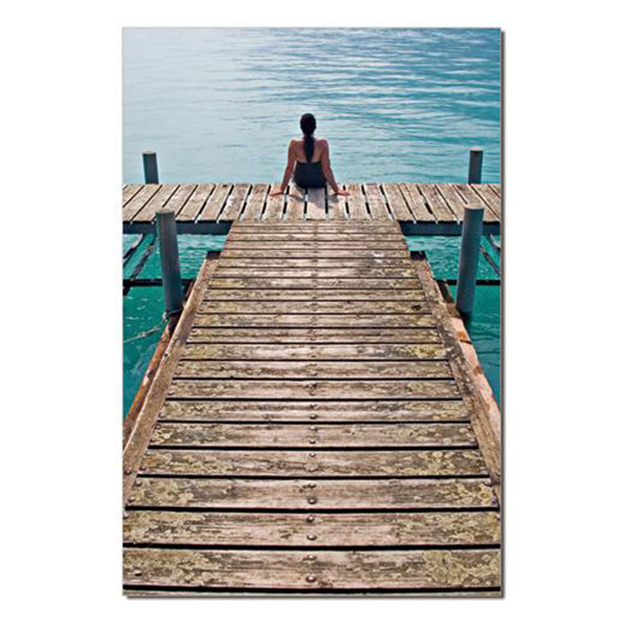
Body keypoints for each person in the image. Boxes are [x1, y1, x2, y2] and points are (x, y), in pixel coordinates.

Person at [269, 113, 349, 197]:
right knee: (327, 163)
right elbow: (326, 169)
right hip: (319, 182)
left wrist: (281, 189)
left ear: (301, 127)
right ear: (315, 127)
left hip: (301, 182)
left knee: (294, 171)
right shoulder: (323, 143)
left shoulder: (294, 144)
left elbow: (289, 168)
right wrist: (336, 190)